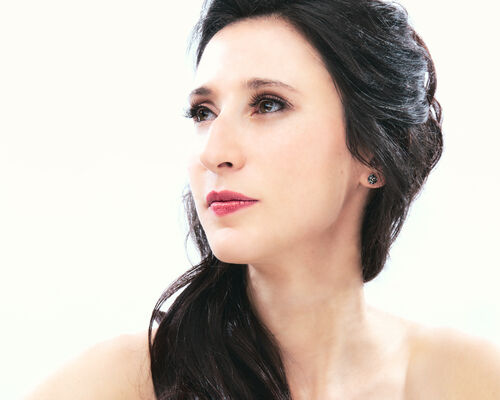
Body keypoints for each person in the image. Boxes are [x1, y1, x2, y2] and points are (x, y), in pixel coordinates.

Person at [23, 0, 500, 399]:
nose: (214, 152)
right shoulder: (121, 384)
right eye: (203, 112)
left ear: (373, 150)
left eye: (268, 104)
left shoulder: (469, 379)